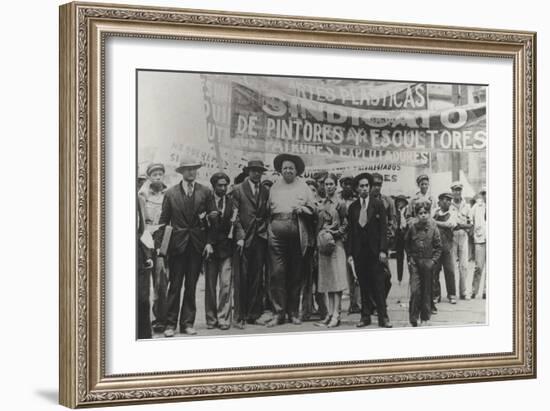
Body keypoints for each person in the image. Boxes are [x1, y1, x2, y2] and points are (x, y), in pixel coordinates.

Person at [154, 156, 216, 337]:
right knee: (174, 286)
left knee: (191, 285)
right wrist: (161, 247)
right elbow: (163, 222)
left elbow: (213, 220)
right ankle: (170, 324)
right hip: (176, 246)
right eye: (188, 169)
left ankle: (187, 323)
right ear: (181, 172)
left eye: (194, 169)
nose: (191, 172)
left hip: (197, 246)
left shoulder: (205, 192)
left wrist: (210, 243)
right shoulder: (171, 193)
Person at [266, 153, 316, 327]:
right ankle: (278, 313)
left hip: (297, 233)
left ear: (296, 171)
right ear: (281, 170)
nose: (288, 170)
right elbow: (267, 211)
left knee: (295, 273)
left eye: (291, 168)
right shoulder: (274, 187)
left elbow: (313, 210)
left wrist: (302, 208)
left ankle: (293, 313)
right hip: (276, 233)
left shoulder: (304, 187)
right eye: (285, 168)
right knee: (276, 273)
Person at [346, 172, 392, 328]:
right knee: (363, 285)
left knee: (379, 285)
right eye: (361, 186)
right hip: (360, 253)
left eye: (367, 186)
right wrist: (350, 253)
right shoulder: (353, 207)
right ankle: (365, 317)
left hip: (375, 252)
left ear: (370, 187)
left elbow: (383, 229)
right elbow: (351, 232)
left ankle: (383, 318)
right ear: (357, 189)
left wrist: (383, 251)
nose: (364, 189)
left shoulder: (378, 204)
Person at [232, 158, 270, 329]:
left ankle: (254, 314)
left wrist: (264, 230)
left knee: (257, 277)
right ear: (248, 172)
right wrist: (239, 236)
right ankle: (240, 315)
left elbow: (267, 213)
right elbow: (235, 216)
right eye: (254, 170)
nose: (257, 173)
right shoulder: (237, 190)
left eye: (259, 171)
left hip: (260, 238)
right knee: (241, 277)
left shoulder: (265, 191)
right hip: (243, 239)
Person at [314, 174, 348, 328]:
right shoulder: (321, 204)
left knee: (337, 280)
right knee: (327, 280)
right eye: (326, 184)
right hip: (323, 244)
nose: (328, 186)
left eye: (331, 184)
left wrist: (334, 234)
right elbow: (318, 225)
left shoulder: (340, 204)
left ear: (336, 186)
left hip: (336, 244)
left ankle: (337, 314)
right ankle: (328, 313)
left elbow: (345, 225)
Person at [138, 162, 168, 333]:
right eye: (154, 174)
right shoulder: (142, 194)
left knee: (161, 280)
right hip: (145, 240)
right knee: (143, 284)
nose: (157, 177)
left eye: (160, 174)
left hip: (161, 238)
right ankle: (142, 321)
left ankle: (160, 319)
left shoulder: (168, 193)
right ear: (149, 177)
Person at [204, 172, 235, 330]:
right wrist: (207, 243)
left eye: (225, 185)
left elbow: (236, 224)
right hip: (210, 250)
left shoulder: (231, 202)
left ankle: (223, 318)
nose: (223, 188)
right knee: (210, 286)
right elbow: (200, 225)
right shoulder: (206, 201)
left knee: (225, 285)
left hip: (226, 249)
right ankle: (211, 319)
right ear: (213, 186)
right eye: (219, 185)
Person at [405, 201, 442, 327]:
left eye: (425, 213)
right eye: (420, 213)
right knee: (415, 290)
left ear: (429, 214)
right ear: (416, 215)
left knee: (427, 291)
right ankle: (413, 317)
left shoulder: (433, 229)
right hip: (415, 263)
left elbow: (438, 247)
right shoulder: (412, 229)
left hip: (427, 263)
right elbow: (407, 244)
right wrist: (409, 258)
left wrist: (433, 261)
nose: (423, 215)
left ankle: (425, 317)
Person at [370, 173, 395, 311]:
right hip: (367, 245)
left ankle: (381, 300)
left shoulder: (387, 201)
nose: (377, 187)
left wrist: (388, 239)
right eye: (374, 184)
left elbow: (393, 222)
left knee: (386, 276)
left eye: (379, 184)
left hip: (382, 245)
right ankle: (373, 304)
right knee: (370, 276)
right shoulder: (364, 201)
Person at [338, 172, 361, 314]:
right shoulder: (337, 199)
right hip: (341, 239)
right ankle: (338, 307)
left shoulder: (356, 200)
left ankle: (356, 303)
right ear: (341, 185)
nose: (347, 186)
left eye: (349, 184)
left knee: (355, 271)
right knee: (342, 273)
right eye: (344, 183)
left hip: (354, 239)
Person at [432, 193, 458, 310]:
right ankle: (436, 295)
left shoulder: (452, 213)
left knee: (449, 271)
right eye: (445, 200)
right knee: (435, 271)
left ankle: (451, 294)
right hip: (436, 247)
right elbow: (428, 223)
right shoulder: (435, 212)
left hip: (447, 246)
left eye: (449, 200)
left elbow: (450, 224)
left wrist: (436, 223)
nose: (447, 202)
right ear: (440, 201)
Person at [450, 182, 472, 300]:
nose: (457, 192)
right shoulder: (449, 205)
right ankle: (452, 293)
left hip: (463, 236)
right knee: (452, 265)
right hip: (452, 237)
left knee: (464, 266)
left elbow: (470, 224)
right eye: (455, 190)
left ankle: (463, 292)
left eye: (459, 190)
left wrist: (461, 225)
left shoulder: (466, 206)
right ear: (452, 191)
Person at [137, 195, 154, 339]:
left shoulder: (140, 200)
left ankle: (144, 336)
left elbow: (144, 230)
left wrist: (148, 255)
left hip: (140, 253)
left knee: (143, 298)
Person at [470, 187, 487, 299]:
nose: (487, 195)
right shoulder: (477, 206)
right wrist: (473, 228)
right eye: (484, 193)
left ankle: (486, 291)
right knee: (479, 267)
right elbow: (470, 218)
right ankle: (474, 290)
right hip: (480, 239)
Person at [393, 195, 409, 285]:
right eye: (398, 201)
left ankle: (411, 276)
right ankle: (400, 278)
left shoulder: (407, 210)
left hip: (406, 234)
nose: (400, 203)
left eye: (401, 201)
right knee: (399, 257)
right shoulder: (396, 211)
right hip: (399, 235)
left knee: (409, 257)